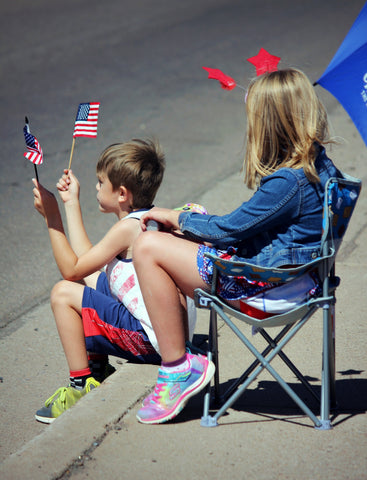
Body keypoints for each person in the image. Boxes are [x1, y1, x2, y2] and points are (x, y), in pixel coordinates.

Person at [132, 68, 342, 425]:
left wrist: (175, 216)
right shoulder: (319, 164)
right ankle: (180, 354)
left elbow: (230, 231)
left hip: (265, 287)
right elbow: (243, 227)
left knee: (148, 246)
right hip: (299, 279)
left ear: (270, 124)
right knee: (175, 238)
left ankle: (176, 366)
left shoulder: (288, 181)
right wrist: (192, 225)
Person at [32, 138, 166, 423]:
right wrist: (71, 203)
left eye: (100, 182)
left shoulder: (127, 230)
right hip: (163, 333)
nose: (96, 186)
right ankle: (97, 369)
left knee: (62, 293)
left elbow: (71, 271)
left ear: (121, 194)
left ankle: (79, 385)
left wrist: (52, 218)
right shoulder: (145, 220)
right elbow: (85, 266)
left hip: (150, 341)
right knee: (88, 281)